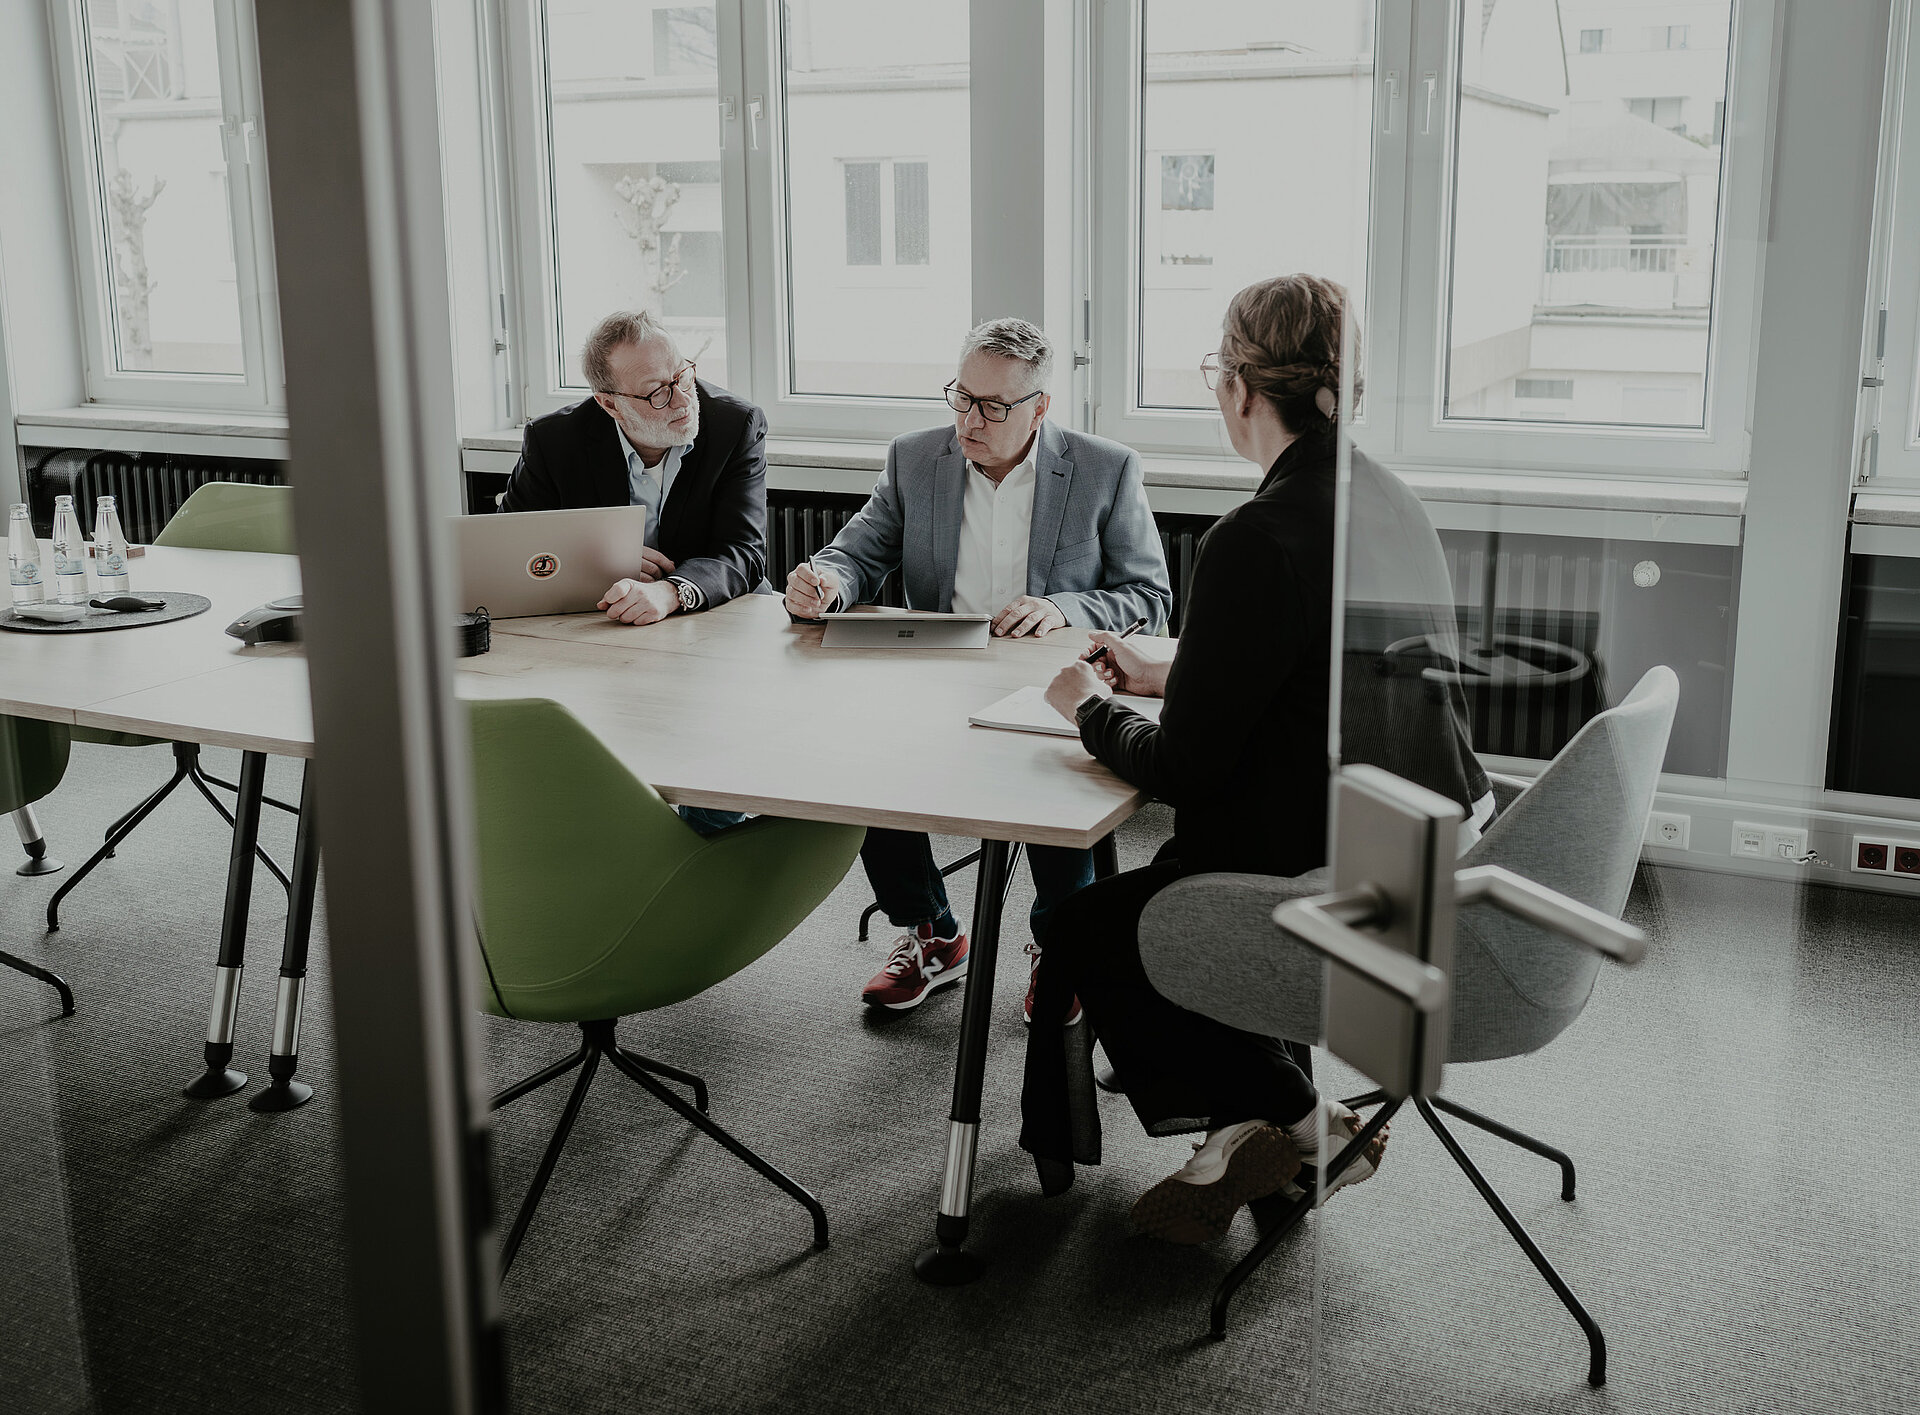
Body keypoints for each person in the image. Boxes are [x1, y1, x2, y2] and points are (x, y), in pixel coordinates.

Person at [1023, 275, 1490, 1242]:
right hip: (1409, 840)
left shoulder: (1254, 535)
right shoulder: (1391, 499)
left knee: (1084, 926)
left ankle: (1306, 1123)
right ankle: (1241, 1131)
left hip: (1314, 869)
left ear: (1240, 387)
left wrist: (1090, 707)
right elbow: (1325, 670)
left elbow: (1188, 773)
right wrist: (1180, 673)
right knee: (1161, 889)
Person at [785, 318, 1173, 1021]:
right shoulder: (915, 458)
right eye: (961, 398)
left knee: (1059, 794)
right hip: (934, 673)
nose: (970, 419)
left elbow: (1150, 596)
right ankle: (931, 933)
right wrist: (826, 581)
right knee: (864, 762)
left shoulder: (1104, 467)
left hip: (1050, 687)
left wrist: (1061, 607)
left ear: (1040, 407)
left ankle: (1056, 945)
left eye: (993, 406)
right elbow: (858, 550)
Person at [502, 309, 769, 626]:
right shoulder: (553, 441)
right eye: (658, 392)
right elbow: (512, 546)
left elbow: (744, 551)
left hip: (715, 607)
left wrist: (671, 591)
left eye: (682, 376)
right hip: (600, 613)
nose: (683, 401)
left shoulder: (735, 425)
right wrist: (603, 566)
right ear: (610, 404)